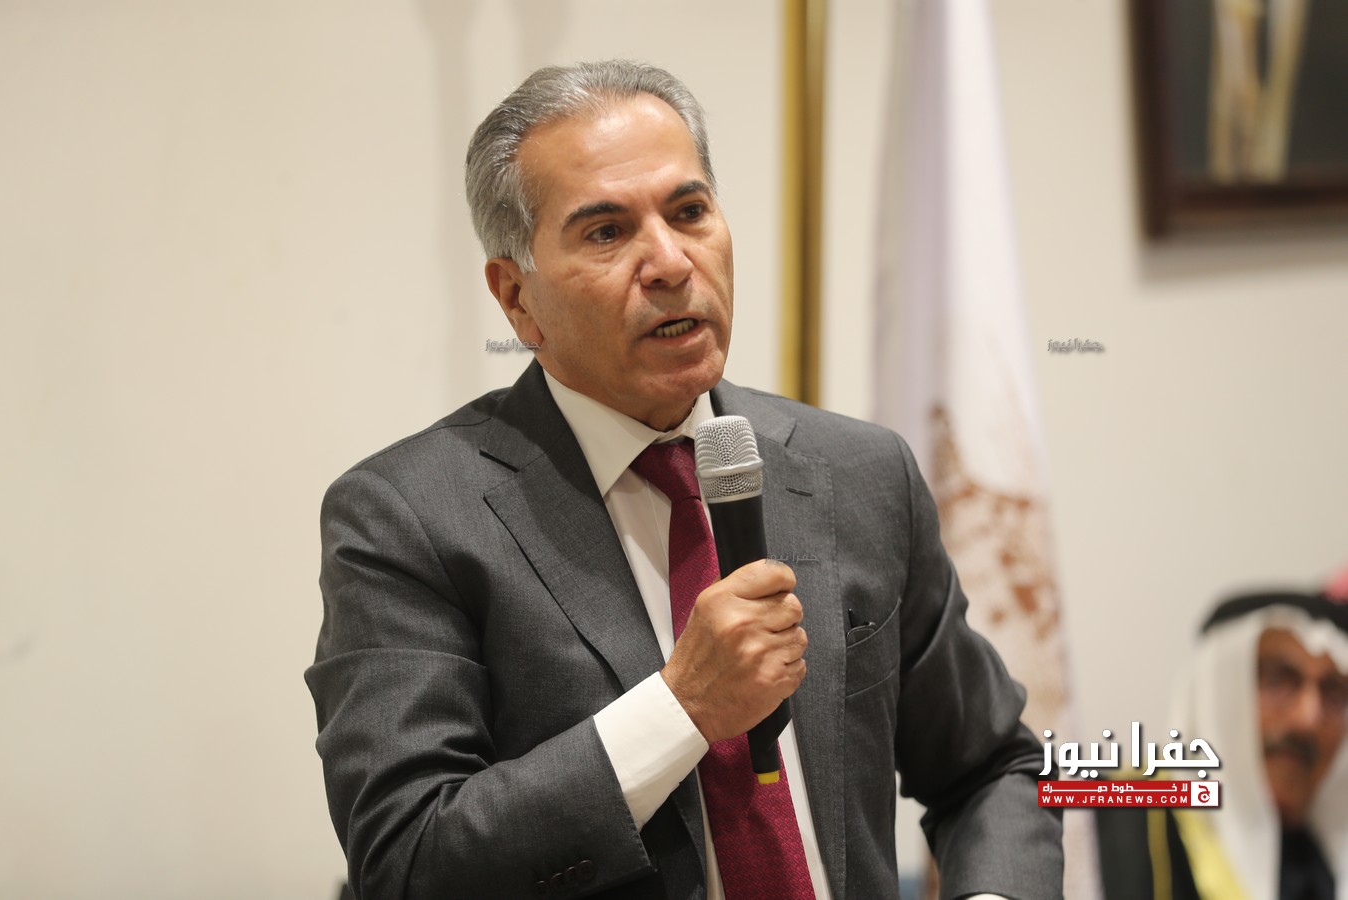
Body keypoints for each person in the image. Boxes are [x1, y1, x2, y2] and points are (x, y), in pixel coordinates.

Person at [305, 60, 1062, 900]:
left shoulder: (860, 473)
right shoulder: (407, 518)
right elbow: (407, 862)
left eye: (690, 212)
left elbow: (993, 765)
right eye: (606, 232)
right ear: (516, 298)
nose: (669, 262)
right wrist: (681, 710)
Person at [1097, 569, 1348, 900]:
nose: (1309, 719)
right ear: (1218, 692)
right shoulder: (1119, 815)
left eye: (1333, 692)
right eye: (1278, 680)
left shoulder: (1324, 865)